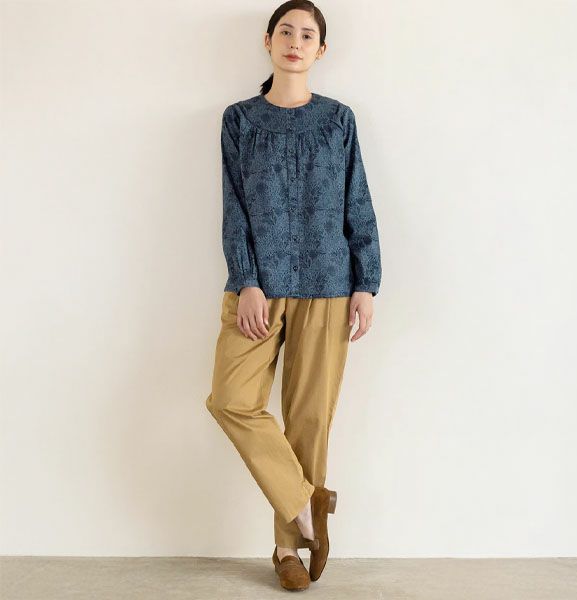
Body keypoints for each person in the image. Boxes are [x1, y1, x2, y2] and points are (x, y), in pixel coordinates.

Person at [205, 0, 382, 591]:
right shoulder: (239, 120)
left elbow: (357, 201)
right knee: (231, 399)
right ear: (268, 40)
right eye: (286, 31)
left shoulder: (339, 120)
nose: (295, 42)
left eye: (308, 35)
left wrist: (366, 282)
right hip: (258, 289)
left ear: (321, 50)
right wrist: (247, 279)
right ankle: (306, 505)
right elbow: (234, 207)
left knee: (309, 420)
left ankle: (288, 550)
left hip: (329, 286)